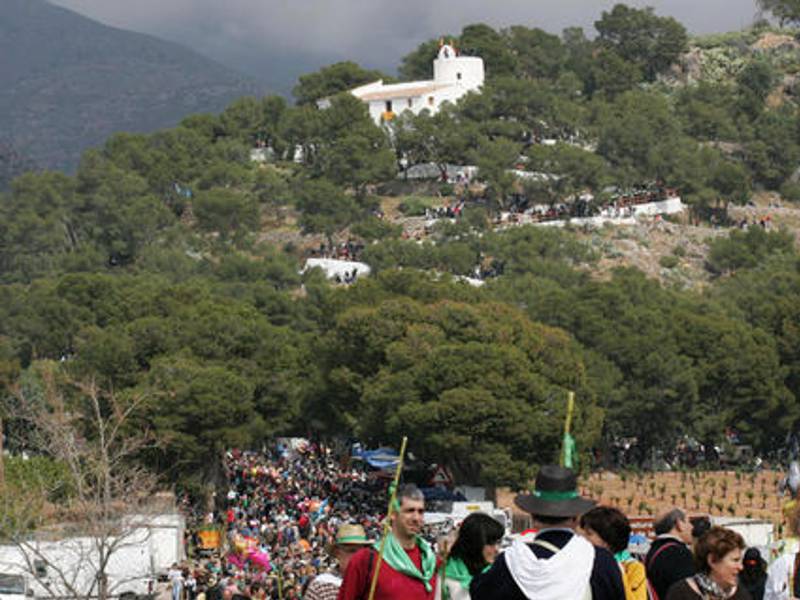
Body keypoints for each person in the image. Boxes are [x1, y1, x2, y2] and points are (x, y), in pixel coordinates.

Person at [470, 465, 625, 600]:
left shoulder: (512, 562)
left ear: (533, 516)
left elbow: (479, 592)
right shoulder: (601, 561)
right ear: (576, 517)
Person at [338, 484, 438, 600]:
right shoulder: (366, 560)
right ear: (393, 514)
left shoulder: (430, 562)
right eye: (409, 511)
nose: (416, 518)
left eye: (420, 512)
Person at [580, 505, 647, 600]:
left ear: (608, 539)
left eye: (589, 533)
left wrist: (618, 571)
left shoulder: (633, 568)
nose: (582, 537)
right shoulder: (580, 563)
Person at [665, 526, 750, 599]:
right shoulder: (681, 593)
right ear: (712, 560)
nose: (741, 567)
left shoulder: (741, 595)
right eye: (735, 560)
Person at [436, 512, 505, 600]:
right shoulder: (446, 575)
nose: (497, 549)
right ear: (475, 544)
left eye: (498, 542)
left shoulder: (498, 574)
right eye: (490, 543)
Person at [305, 524, 372, 600]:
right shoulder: (321, 585)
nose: (358, 556)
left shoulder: (373, 584)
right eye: (351, 551)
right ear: (337, 553)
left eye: (362, 552)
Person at [646, 508, 696, 600]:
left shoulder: (653, 551)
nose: (692, 527)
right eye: (689, 522)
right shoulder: (679, 554)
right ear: (679, 524)